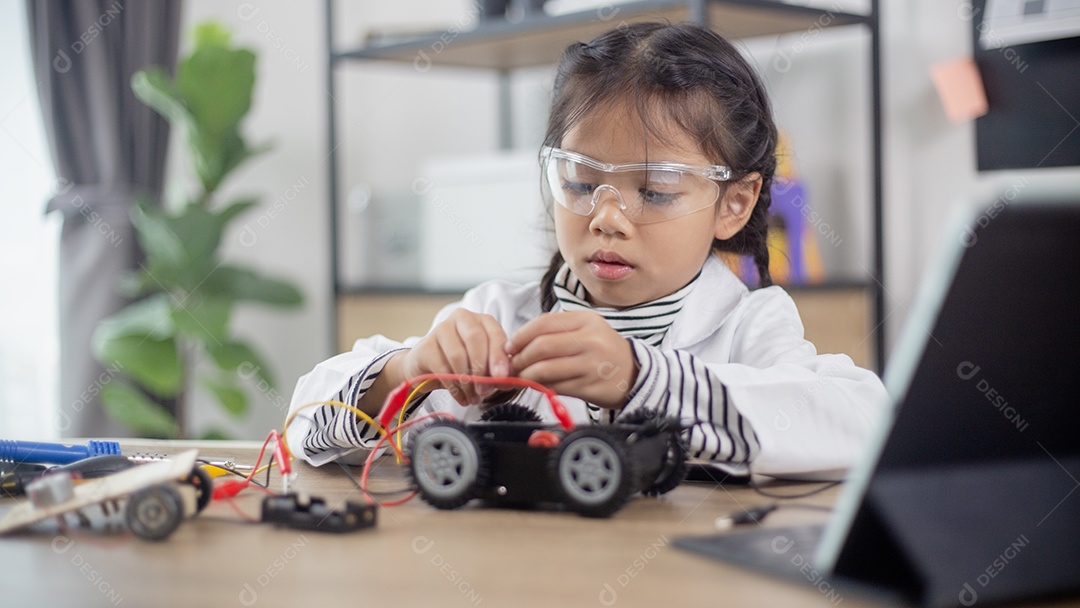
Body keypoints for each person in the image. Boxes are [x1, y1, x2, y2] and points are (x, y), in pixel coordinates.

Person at [287, 22, 888, 479]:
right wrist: (409, 371)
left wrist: (638, 377)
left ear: (734, 203)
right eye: (578, 183)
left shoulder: (749, 324)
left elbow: (862, 422)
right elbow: (302, 422)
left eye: (655, 191)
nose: (605, 218)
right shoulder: (500, 314)